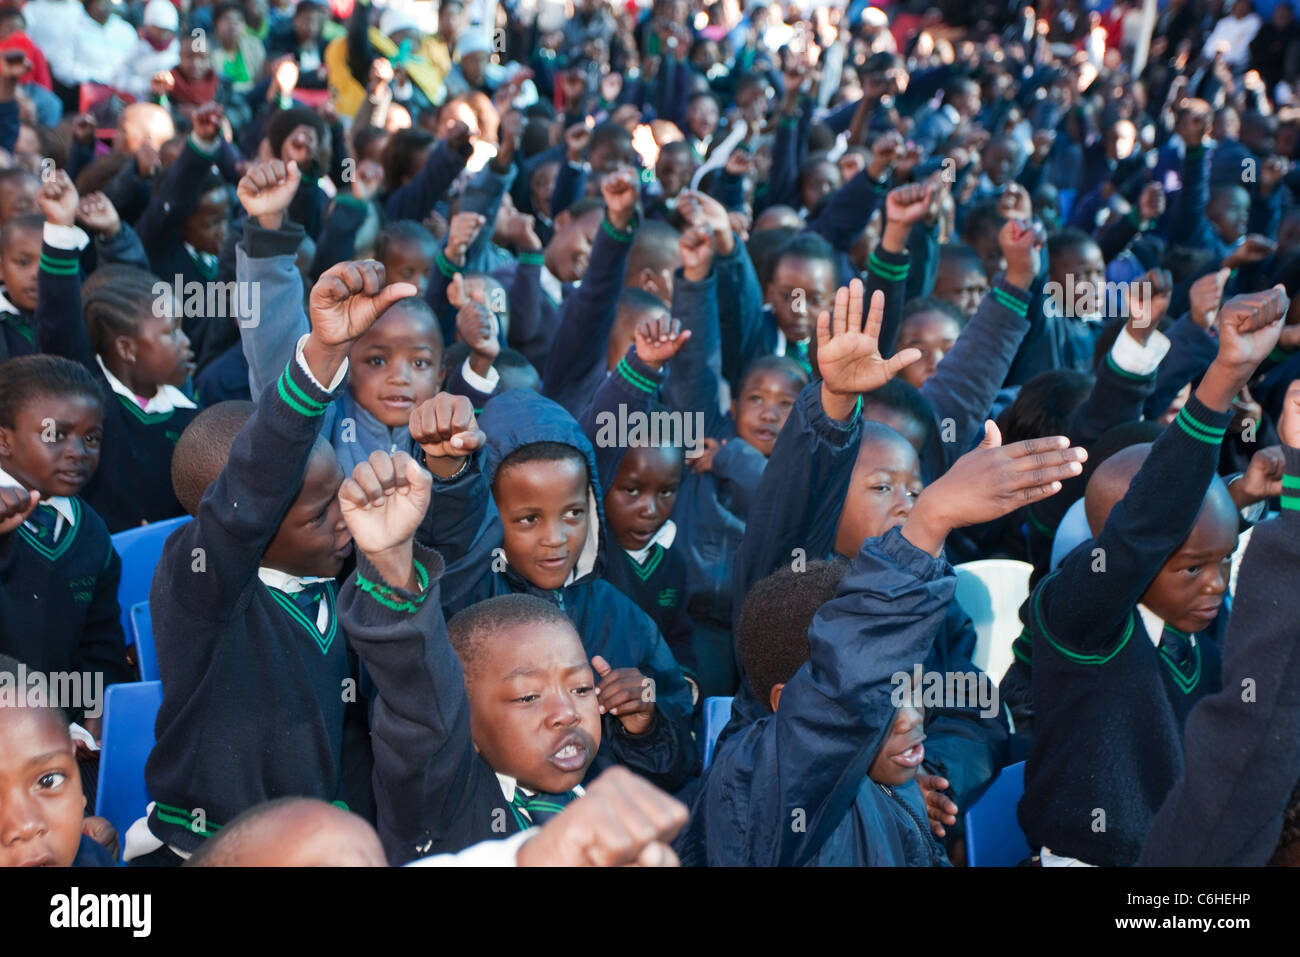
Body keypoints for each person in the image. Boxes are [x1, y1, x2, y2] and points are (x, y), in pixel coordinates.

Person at [126, 260, 415, 865]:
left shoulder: (336, 584)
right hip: (210, 847)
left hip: (312, 839)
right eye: (317, 515)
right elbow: (248, 495)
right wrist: (319, 364)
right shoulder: (202, 586)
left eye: (341, 498)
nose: (344, 520)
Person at [1018, 285, 1290, 867]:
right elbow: (1146, 529)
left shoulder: (1196, 625)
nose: (1216, 584)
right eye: (1193, 570)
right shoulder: (1079, 621)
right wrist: (1223, 375)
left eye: (1222, 563)